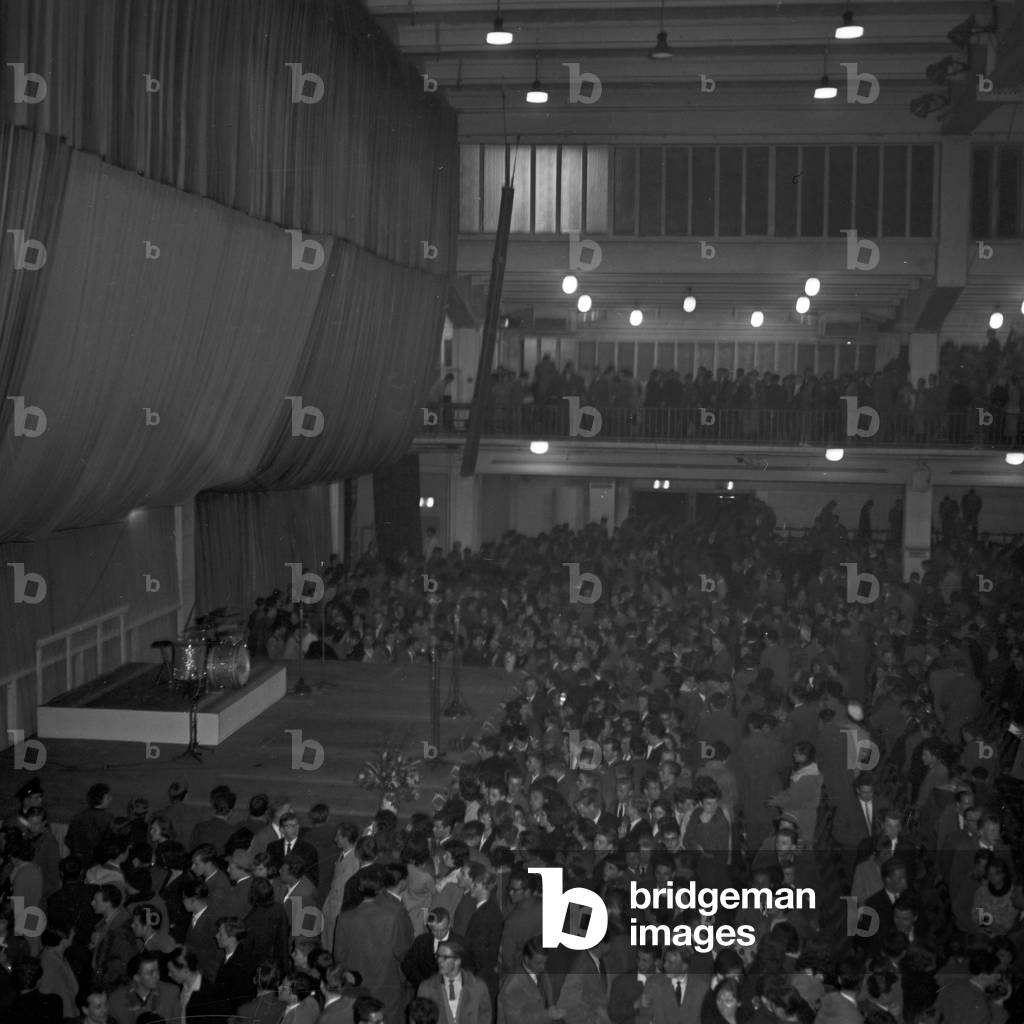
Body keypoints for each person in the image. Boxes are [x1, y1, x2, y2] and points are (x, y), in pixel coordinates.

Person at [417, 939, 492, 1024]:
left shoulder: (478, 986)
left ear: (457, 961)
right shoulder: (426, 988)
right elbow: (420, 1019)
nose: (439, 961)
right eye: (438, 956)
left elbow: (485, 1014)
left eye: (445, 957)